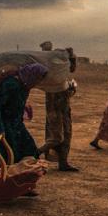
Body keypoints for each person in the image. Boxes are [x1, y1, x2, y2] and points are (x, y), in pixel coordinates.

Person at [0, 63, 48, 168]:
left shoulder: (25, 85)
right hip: (4, 124)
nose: (38, 82)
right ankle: (2, 180)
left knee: (30, 150)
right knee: (6, 155)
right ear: (32, 75)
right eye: (38, 78)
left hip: (17, 125)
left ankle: (17, 179)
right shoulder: (10, 84)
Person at [37, 41, 79, 171]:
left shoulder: (58, 77)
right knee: (57, 137)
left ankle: (63, 162)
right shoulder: (55, 77)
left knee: (65, 135)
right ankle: (33, 154)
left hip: (62, 109)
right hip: (56, 111)